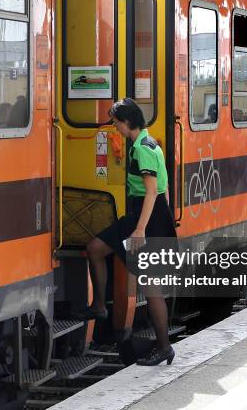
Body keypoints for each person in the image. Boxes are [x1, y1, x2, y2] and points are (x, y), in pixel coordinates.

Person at [75, 98, 177, 366]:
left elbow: (153, 191)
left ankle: (164, 347)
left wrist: (141, 230)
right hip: (138, 216)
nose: (115, 127)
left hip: (147, 219)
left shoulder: (144, 148)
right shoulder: (144, 142)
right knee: (95, 248)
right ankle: (99, 304)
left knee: (151, 286)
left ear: (128, 122)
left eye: (117, 122)